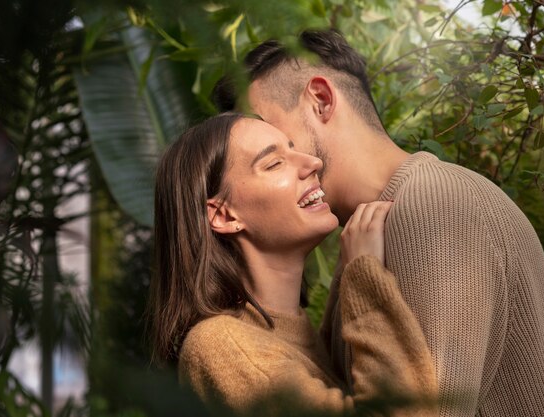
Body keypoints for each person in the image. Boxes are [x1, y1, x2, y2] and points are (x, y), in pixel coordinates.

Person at [212, 30, 544, 417]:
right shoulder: (371, 231)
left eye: (271, 133)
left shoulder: (431, 205)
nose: (269, 147)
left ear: (321, 99)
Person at [150, 112, 437, 416]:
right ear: (224, 215)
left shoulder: (294, 333)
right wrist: (365, 278)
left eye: (294, 149)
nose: (313, 163)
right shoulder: (223, 346)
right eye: (274, 163)